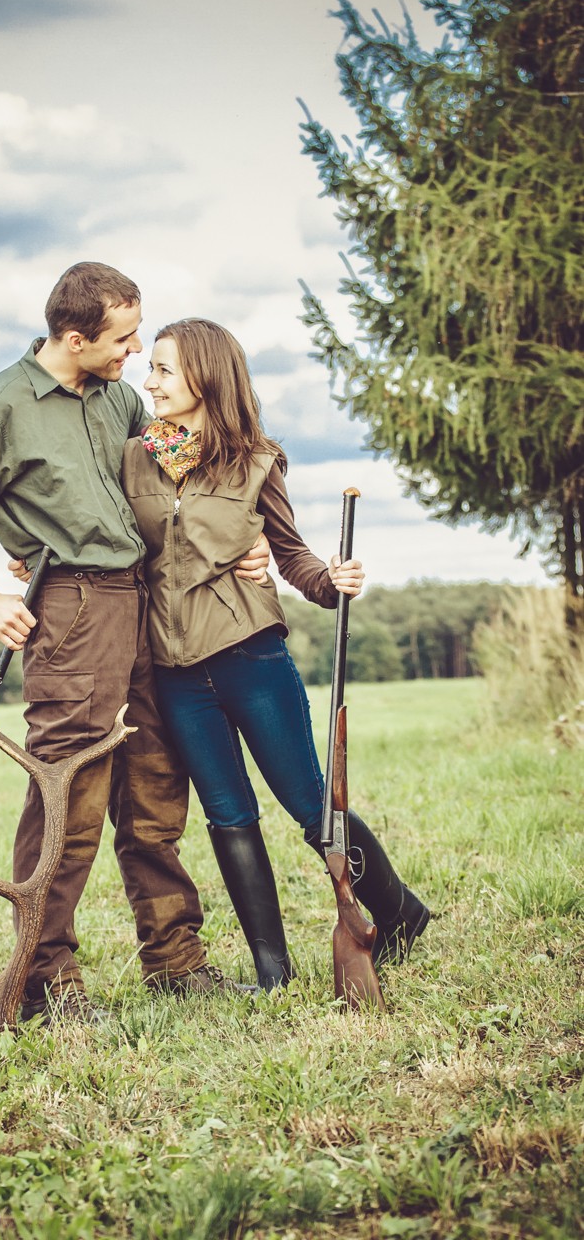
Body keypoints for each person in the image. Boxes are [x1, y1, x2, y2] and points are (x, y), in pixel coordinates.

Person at [0, 264, 269, 1024]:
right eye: (123, 337)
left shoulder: (119, 400)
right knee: (69, 793)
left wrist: (250, 541)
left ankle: (175, 962)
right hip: (71, 610)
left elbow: (193, 464)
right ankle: (46, 982)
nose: (137, 351)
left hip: (145, 601)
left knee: (154, 787)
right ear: (73, 339)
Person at [120, 317, 430, 991]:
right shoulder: (133, 456)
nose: (150, 381)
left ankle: (401, 912)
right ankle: (271, 969)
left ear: (205, 375)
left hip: (250, 656)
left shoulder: (255, 461)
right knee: (227, 814)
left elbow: (289, 553)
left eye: (165, 369)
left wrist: (330, 581)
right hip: (174, 672)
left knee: (312, 808)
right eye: (151, 369)